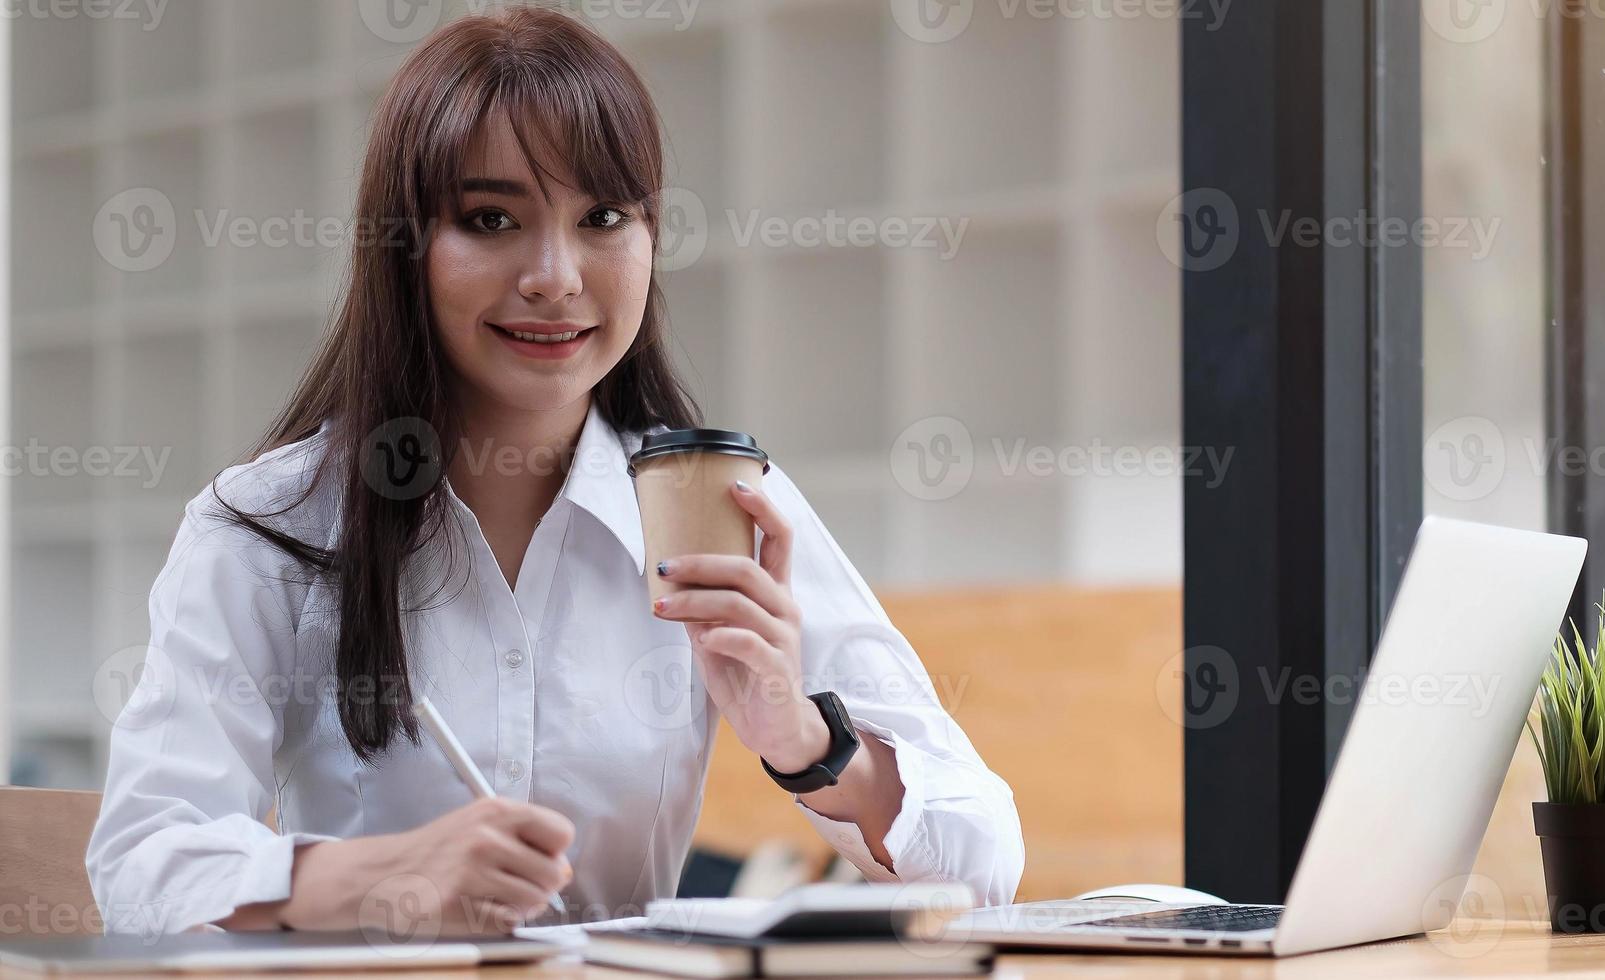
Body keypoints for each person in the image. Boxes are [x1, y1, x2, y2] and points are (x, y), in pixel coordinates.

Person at [84, 6, 1022, 936]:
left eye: (604, 217)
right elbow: (139, 862)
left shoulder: (725, 503)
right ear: (406, 248)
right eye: (491, 219)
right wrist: (384, 875)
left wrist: (807, 743)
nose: (556, 275)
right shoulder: (271, 523)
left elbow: (987, 864)